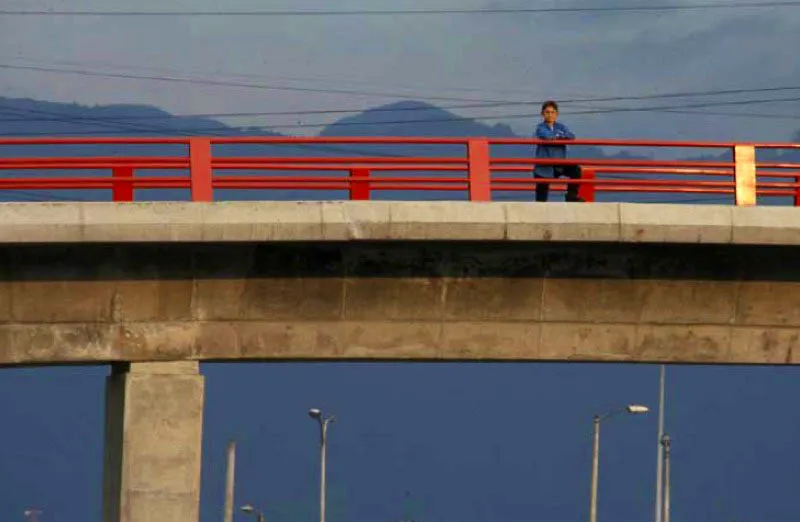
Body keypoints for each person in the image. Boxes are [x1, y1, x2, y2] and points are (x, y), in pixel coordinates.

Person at [533, 100, 584, 202]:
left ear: (557, 114)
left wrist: (558, 137)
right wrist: (561, 137)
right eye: (547, 112)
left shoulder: (561, 126)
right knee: (541, 199)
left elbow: (571, 136)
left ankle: (571, 196)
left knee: (576, 170)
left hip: (558, 164)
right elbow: (547, 136)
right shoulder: (540, 127)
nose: (550, 115)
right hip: (544, 166)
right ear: (542, 114)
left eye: (552, 112)